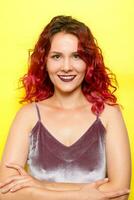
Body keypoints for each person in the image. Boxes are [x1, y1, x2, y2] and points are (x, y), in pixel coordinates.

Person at [0, 15, 131, 200]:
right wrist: (83, 195)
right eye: (56, 57)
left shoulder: (109, 114)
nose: (67, 67)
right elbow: (5, 192)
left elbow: (120, 194)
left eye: (76, 56)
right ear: (44, 62)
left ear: (89, 63)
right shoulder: (27, 116)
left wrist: (40, 186)